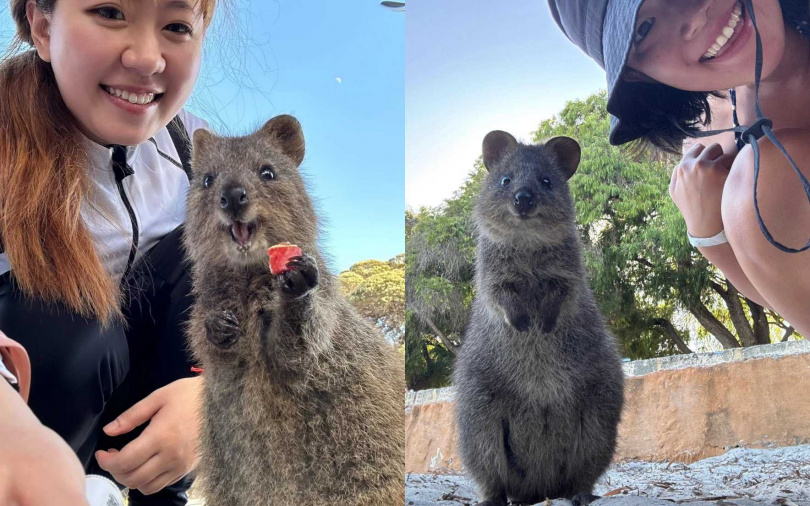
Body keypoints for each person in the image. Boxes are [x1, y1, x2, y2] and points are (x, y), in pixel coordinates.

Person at [0, 0, 217, 503]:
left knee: (213, 254)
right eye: (110, 12)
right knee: (70, 317)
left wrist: (216, 394)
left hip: (139, 417)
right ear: (43, 25)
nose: (146, 57)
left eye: (177, 26)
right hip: (34, 410)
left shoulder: (196, 150)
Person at [549, 0, 810, 337]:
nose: (693, 19)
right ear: (637, 74)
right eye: (644, 28)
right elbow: (792, 295)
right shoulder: (725, 155)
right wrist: (709, 235)